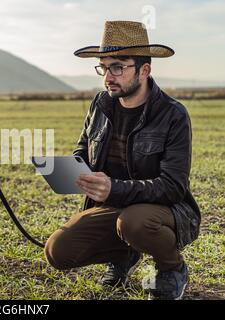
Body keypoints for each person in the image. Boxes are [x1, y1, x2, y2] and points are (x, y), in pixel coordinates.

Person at [44, 20, 201, 300]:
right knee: (58, 251)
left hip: (164, 210)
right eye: (104, 67)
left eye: (118, 67)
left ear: (144, 70)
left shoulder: (173, 114)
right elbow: (83, 150)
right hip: (114, 207)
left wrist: (114, 188)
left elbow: (173, 186)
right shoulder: (101, 104)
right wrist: (76, 171)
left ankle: (172, 268)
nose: (108, 76)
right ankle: (124, 255)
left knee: (134, 223)